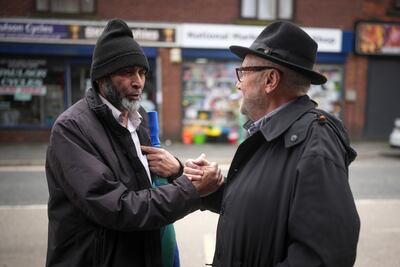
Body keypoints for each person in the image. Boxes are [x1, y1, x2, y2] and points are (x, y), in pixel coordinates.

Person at [45, 18, 223, 267]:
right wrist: (189, 189)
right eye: (127, 72)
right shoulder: (72, 128)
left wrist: (180, 171)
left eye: (141, 72)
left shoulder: (137, 124)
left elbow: (149, 191)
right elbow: (117, 208)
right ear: (101, 78)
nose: (138, 81)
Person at [185, 21, 360, 267]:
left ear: (270, 80)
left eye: (243, 73)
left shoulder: (315, 140)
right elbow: (263, 210)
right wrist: (212, 187)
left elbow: (327, 255)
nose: (238, 84)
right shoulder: (272, 132)